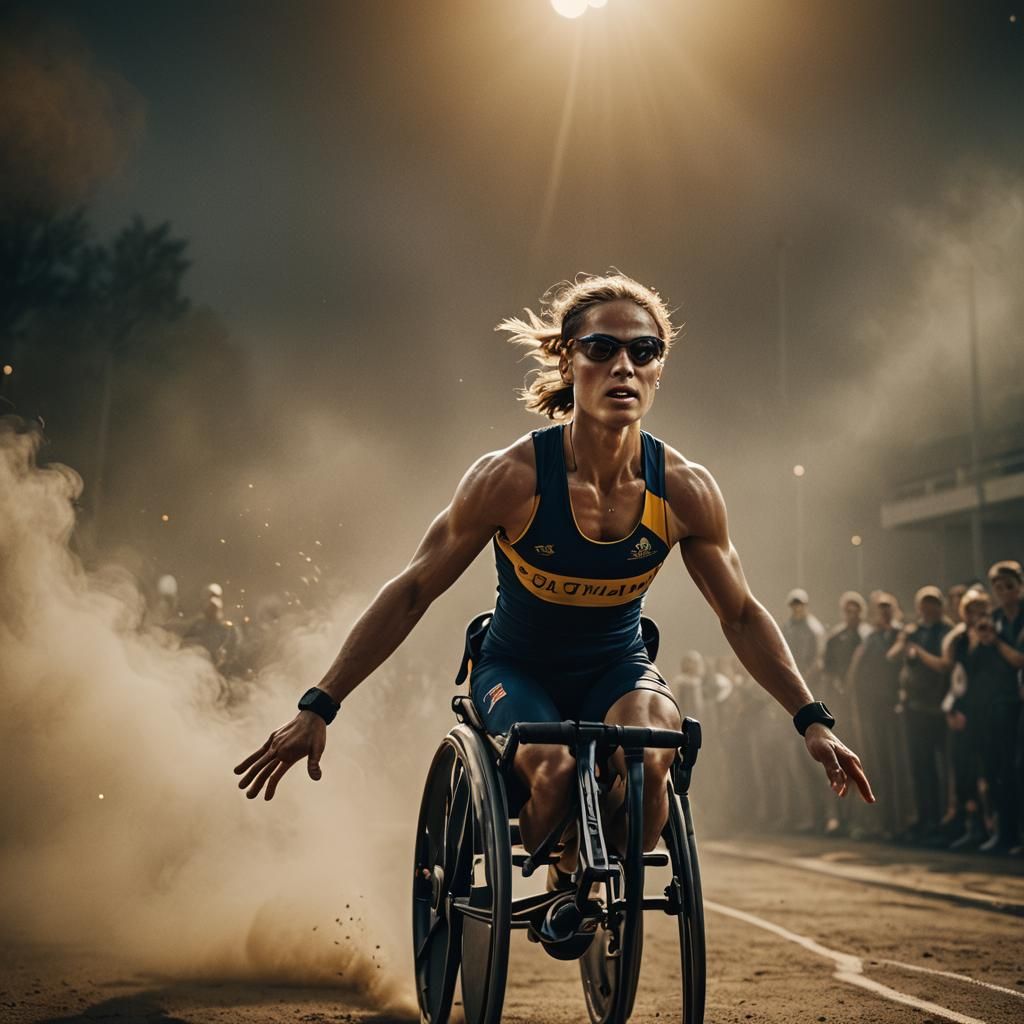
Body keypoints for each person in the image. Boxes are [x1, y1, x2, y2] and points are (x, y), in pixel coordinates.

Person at [234, 273, 874, 883]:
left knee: (655, 758)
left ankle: (591, 891)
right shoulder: (508, 478)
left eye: (643, 351)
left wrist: (812, 720)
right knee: (555, 774)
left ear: (657, 371)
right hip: (516, 670)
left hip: (618, 667)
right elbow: (412, 590)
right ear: (569, 362)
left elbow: (740, 614)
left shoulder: (685, 490)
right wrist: (319, 706)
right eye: (603, 348)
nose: (624, 366)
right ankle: (562, 860)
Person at [889, 586, 952, 841]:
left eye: (933, 603)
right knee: (919, 766)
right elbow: (892, 657)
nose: (928, 608)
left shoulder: (947, 631)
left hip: (938, 709)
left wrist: (919, 652)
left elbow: (944, 665)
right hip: (914, 707)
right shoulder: (914, 631)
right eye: (924, 604)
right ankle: (924, 818)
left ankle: (941, 821)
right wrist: (905, 641)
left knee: (941, 769)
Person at [820, 591, 871, 834]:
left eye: (856, 610)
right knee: (836, 761)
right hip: (841, 712)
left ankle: (861, 820)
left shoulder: (869, 637)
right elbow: (827, 672)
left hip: (866, 709)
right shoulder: (835, 638)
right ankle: (836, 816)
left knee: (864, 763)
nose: (852, 614)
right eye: (847, 610)